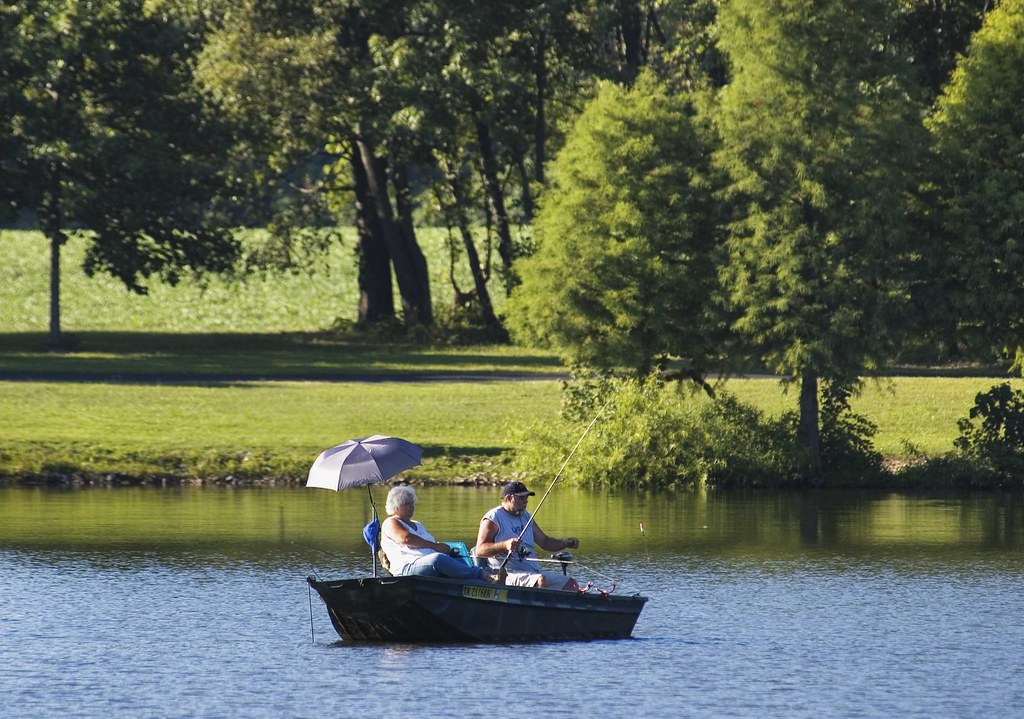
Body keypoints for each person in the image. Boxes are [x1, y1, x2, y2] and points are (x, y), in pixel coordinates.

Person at [474, 481, 581, 590]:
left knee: (571, 584)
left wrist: (564, 543)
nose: (525, 501)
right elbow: (480, 550)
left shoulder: (526, 516)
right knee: (540, 580)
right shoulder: (493, 518)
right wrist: (504, 545)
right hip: (505, 574)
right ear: (509, 498)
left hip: (533, 573)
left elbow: (544, 542)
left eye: (526, 497)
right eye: (521, 498)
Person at [380, 485, 497, 582]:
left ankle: (488, 579)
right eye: (407, 504)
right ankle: (481, 574)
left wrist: (442, 548)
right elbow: (406, 538)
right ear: (396, 507)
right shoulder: (391, 522)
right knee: (438, 559)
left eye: (412, 503)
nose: (412, 506)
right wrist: (436, 546)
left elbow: (426, 543)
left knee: (453, 559)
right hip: (407, 567)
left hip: (427, 564)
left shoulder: (417, 524)